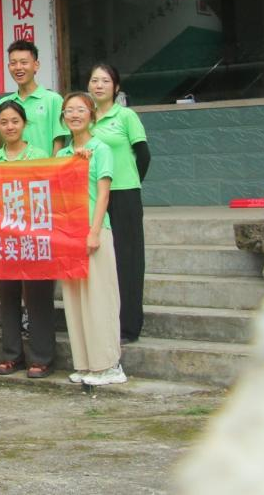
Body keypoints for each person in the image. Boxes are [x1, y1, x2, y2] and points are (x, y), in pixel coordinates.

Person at [0, 101, 57, 379]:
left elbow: (48, 194)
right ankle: (12, 356)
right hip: (5, 238)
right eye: (4, 122)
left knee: (38, 297)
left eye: (15, 121)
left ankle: (43, 358)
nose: (9, 127)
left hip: (34, 237)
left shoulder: (39, 155)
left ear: (24, 124)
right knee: (8, 297)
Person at [57, 91, 126, 386]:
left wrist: (94, 232)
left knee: (99, 300)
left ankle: (109, 365)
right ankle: (85, 364)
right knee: (75, 303)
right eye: (69, 111)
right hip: (68, 234)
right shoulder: (62, 155)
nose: (74, 115)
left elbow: (104, 194)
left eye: (80, 110)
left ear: (92, 115)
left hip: (93, 231)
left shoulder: (101, 149)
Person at [88, 62, 151, 344]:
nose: (99, 85)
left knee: (128, 260)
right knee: (102, 260)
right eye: (94, 80)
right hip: (94, 197)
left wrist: (131, 181)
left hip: (124, 194)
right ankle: (104, 321)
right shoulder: (86, 118)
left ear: (116, 87)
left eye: (105, 80)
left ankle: (129, 326)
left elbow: (144, 154)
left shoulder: (126, 116)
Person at [0, 39, 65, 156]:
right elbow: (0, 145)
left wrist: (52, 167)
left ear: (36, 65)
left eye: (24, 62)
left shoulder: (53, 100)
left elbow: (59, 142)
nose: (18, 67)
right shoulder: (4, 103)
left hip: (44, 166)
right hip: (13, 166)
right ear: (8, 67)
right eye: (13, 63)